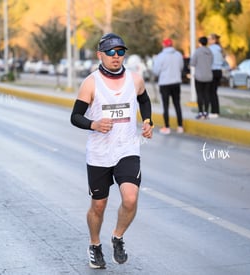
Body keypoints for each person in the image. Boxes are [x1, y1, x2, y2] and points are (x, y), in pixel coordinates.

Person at [70, 33, 153, 269]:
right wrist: (93, 124)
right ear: (100, 55)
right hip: (99, 153)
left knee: (130, 197)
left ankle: (117, 237)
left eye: (120, 52)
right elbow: (75, 116)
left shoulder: (135, 79)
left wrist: (147, 120)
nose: (116, 57)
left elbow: (144, 100)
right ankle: (95, 245)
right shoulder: (91, 83)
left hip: (127, 148)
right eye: (110, 52)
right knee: (99, 205)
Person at [152, 38, 184, 134]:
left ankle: (167, 127)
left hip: (165, 83)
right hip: (176, 82)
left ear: (164, 45)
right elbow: (181, 67)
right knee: (177, 104)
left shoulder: (160, 56)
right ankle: (180, 126)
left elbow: (156, 71)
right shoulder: (178, 55)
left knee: (165, 105)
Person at [190, 36, 213, 119]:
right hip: (209, 76)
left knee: (199, 94)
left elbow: (192, 63)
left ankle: (200, 112)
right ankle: (206, 112)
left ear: (200, 43)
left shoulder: (197, 51)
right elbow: (211, 62)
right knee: (207, 94)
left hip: (199, 76)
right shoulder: (210, 51)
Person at [208, 33, 225, 118]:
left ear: (214, 40)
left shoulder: (211, 49)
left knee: (211, 92)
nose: (208, 40)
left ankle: (214, 111)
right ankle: (215, 110)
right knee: (214, 92)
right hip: (219, 71)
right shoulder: (220, 49)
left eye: (209, 39)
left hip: (213, 71)